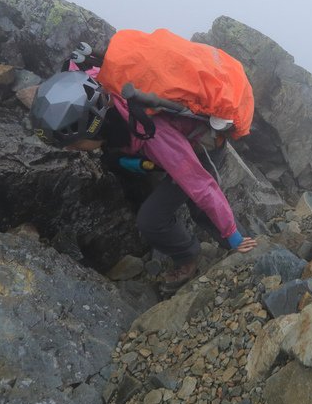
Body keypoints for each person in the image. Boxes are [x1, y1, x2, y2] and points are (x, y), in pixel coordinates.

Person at [30, 70, 256, 293]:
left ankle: (233, 251)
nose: (71, 149)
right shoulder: (101, 86)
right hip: (160, 148)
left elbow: (202, 187)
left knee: (166, 214)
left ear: (93, 127)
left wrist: (232, 233)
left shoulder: (155, 136)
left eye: (75, 143)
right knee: (114, 160)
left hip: (197, 150)